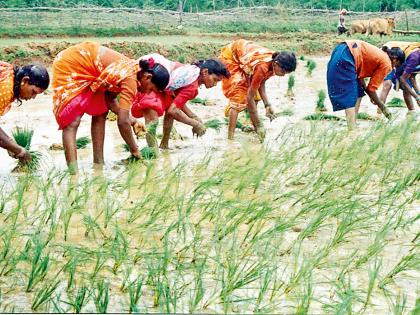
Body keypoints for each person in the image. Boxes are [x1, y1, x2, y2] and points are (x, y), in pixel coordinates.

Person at [52, 42, 169, 172]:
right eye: (151, 89)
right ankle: (73, 174)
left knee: (101, 112)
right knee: (72, 122)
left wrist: (134, 121)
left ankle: (98, 164)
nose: (147, 93)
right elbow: (122, 122)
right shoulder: (131, 79)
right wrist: (134, 149)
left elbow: (110, 100)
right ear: (148, 77)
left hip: (93, 69)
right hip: (73, 62)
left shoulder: (133, 70)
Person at [131, 54, 229, 149]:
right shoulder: (192, 85)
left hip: (154, 78)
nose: (215, 84)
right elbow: (173, 111)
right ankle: (153, 152)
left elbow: (175, 104)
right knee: (152, 118)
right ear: (205, 72)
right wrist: (195, 124)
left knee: (169, 106)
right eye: (215, 79)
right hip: (150, 82)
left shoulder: (191, 72)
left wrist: (193, 116)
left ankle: (164, 145)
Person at [219, 39, 296, 141]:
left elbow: (261, 82)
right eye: (283, 71)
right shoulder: (262, 67)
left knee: (256, 97)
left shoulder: (273, 63)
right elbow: (249, 96)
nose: (283, 75)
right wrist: (259, 125)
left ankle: (250, 123)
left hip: (243, 56)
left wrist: (267, 105)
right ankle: (230, 139)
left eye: (286, 73)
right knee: (238, 97)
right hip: (231, 57)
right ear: (276, 64)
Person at [327, 40, 402, 129]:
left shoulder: (381, 55)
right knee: (350, 97)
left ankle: (353, 122)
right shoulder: (387, 63)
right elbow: (371, 89)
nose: (394, 68)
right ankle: (352, 130)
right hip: (347, 55)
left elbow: (362, 80)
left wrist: (371, 96)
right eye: (397, 65)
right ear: (395, 59)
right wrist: (383, 107)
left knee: (358, 92)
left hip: (341, 50)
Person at [0, 62, 49, 166]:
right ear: (25, 81)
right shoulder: (6, 89)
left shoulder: (11, 75)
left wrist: (10, 145)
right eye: (33, 92)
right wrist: (20, 151)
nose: (33, 97)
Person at [379, 42, 420, 114]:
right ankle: (379, 114)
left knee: (407, 87)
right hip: (390, 55)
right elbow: (403, 79)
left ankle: (411, 112)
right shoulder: (415, 58)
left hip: (401, 61)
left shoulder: (415, 61)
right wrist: (417, 97)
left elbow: (412, 77)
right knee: (387, 84)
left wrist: (418, 93)